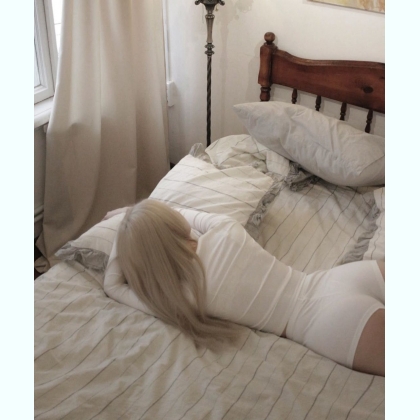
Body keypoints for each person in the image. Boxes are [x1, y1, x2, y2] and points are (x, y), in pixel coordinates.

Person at [111, 199, 385, 376]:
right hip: (338, 279)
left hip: (325, 324)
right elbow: (184, 218)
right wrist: (133, 211)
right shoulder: (224, 228)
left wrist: (121, 236)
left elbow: (112, 285)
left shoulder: (185, 297)